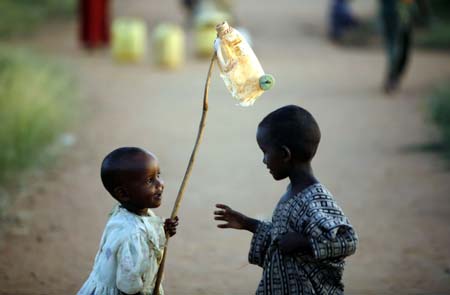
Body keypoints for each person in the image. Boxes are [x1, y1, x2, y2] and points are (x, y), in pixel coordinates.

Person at [214, 105, 358, 294]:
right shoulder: (292, 192)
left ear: (284, 155)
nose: (264, 160)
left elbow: (348, 241)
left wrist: (304, 243)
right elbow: (281, 239)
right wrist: (250, 224)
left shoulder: (315, 199)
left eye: (265, 152)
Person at [78, 147, 179, 295]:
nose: (160, 184)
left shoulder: (127, 213)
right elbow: (129, 284)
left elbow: (147, 237)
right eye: (150, 180)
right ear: (124, 193)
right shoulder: (132, 234)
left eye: (158, 175)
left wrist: (162, 232)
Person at [379, 0, 416, 93]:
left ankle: (392, 77)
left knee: (393, 45)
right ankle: (393, 77)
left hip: (390, 12)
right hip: (401, 14)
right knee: (400, 46)